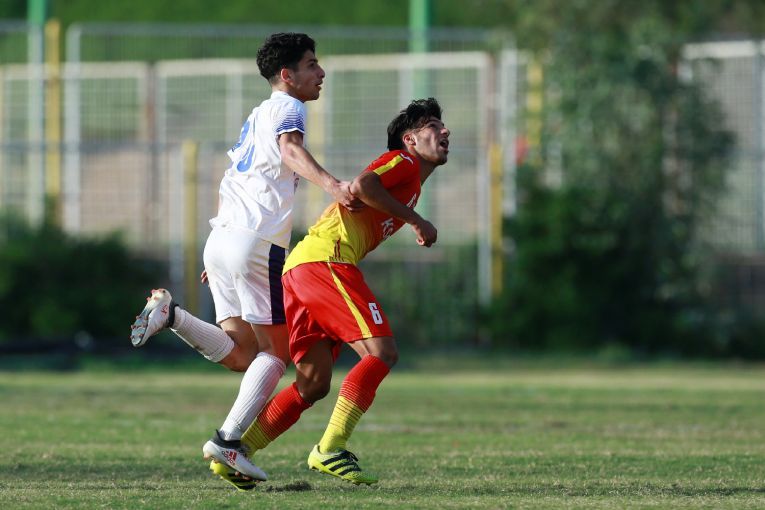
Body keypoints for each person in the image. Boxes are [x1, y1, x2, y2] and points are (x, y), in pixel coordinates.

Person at [129, 32, 361, 486]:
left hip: (223, 238)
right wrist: (334, 186)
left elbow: (235, 175)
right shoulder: (289, 107)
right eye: (312, 65)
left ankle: (171, 315)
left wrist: (224, 251)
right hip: (256, 243)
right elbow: (291, 151)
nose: (321, 72)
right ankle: (228, 440)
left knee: (241, 355)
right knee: (276, 354)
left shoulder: (256, 116)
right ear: (286, 75)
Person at [214, 98, 450, 489]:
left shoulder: (411, 185)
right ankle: (330, 448)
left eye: (443, 126)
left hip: (302, 267)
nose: (444, 131)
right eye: (433, 126)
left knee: (313, 383)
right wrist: (416, 220)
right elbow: (362, 185)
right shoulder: (404, 163)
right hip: (326, 262)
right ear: (409, 139)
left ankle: (238, 453)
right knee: (382, 352)